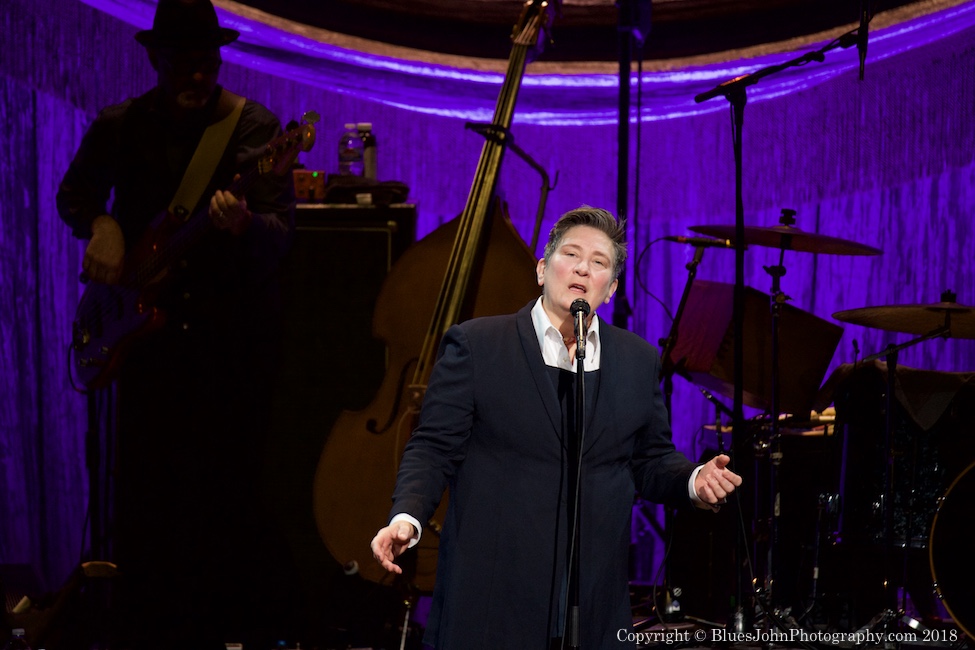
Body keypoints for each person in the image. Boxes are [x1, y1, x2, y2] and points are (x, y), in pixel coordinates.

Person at [371, 206, 742, 650]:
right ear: (543, 269)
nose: (584, 268)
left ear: (611, 288)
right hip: (491, 599)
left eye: (600, 262)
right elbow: (432, 447)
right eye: (571, 254)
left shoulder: (638, 361)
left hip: (593, 604)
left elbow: (650, 458)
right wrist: (407, 515)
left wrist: (694, 480)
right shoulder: (478, 346)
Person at [56, 1, 297, 647]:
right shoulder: (121, 125)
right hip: (145, 346)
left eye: (207, 61)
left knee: (226, 498)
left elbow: (281, 238)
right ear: (155, 58)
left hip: (229, 342)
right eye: (183, 62)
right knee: (147, 500)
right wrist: (102, 225)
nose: (198, 75)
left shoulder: (252, 129)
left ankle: (228, 631)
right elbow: (73, 195)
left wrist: (245, 226)